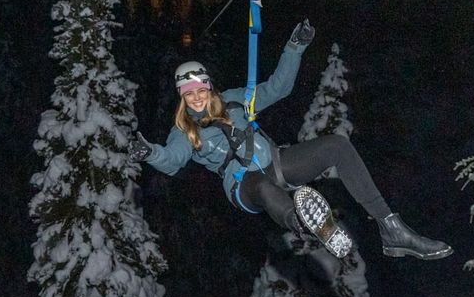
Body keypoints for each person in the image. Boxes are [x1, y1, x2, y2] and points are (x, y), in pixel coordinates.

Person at [129, 20, 452, 260]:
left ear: (209, 88)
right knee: (263, 187)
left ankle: (392, 229)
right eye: (189, 94)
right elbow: (171, 161)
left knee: (336, 145)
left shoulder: (235, 101)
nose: (197, 98)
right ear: (181, 97)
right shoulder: (185, 131)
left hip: (277, 162)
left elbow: (277, 88)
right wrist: (149, 152)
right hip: (243, 184)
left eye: (201, 90)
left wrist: (295, 47)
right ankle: (304, 222)